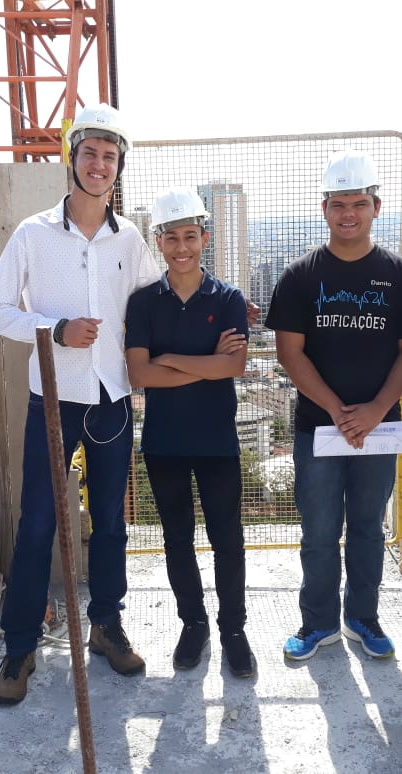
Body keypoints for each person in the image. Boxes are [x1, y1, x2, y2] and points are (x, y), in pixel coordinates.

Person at [0, 103, 160, 705]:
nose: (99, 165)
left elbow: (151, 305)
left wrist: (216, 315)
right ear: (72, 157)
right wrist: (55, 329)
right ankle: (20, 647)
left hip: (111, 399)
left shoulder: (128, 237)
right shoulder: (33, 233)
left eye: (110, 157)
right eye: (90, 153)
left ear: (119, 167)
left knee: (109, 522)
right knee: (39, 524)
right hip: (53, 399)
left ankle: (105, 627)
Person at [265, 150, 402, 661]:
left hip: (379, 427)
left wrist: (377, 408)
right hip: (319, 427)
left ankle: (363, 618)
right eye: (339, 204)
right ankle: (317, 624)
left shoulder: (400, 276)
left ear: (377, 207)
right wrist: (338, 409)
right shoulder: (300, 276)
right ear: (324, 208)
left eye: (359, 203)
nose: (348, 213)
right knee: (317, 531)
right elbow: (290, 353)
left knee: (367, 529)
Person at [124, 187, 255, 678]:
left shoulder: (228, 298)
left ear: (204, 238)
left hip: (218, 440)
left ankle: (233, 631)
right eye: (172, 237)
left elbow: (236, 365)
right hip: (164, 442)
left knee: (228, 539)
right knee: (177, 540)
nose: (182, 247)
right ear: (159, 241)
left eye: (190, 236)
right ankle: (193, 624)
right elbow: (139, 375)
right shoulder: (143, 304)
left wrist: (172, 360)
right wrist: (209, 364)